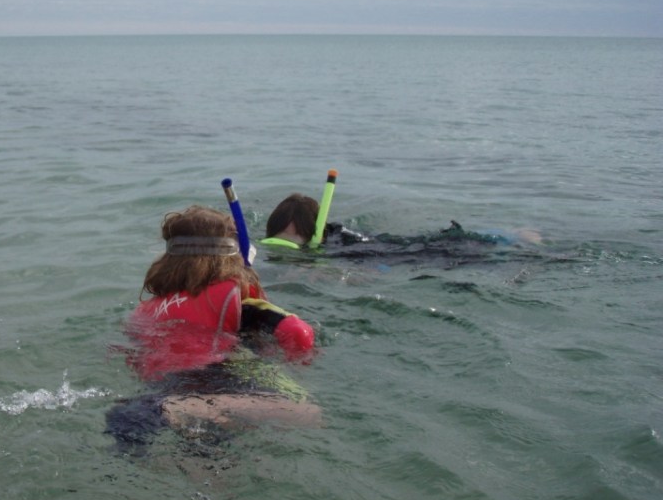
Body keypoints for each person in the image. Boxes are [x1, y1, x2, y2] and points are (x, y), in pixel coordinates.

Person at [106, 206, 321, 454]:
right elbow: (299, 333)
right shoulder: (234, 300)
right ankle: (183, 407)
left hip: (160, 387)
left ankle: (180, 410)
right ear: (231, 257)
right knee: (310, 413)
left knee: (214, 472)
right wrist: (296, 362)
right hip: (215, 382)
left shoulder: (147, 309)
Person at [261, 193, 542, 263]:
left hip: (394, 252)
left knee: (451, 251)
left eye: (293, 237)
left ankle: (513, 237)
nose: (286, 244)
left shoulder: (336, 244)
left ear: (314, 234)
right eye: (278, 237)